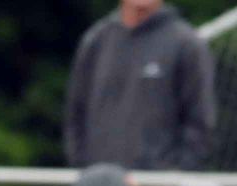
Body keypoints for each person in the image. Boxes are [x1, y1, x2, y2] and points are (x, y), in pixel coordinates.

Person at [64, 0, 215, 170]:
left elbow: (199, 123)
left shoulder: (186, 44)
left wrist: (172, 175)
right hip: (100, 180)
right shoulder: (96, 40)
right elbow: (76, 115)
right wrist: (86, 170)